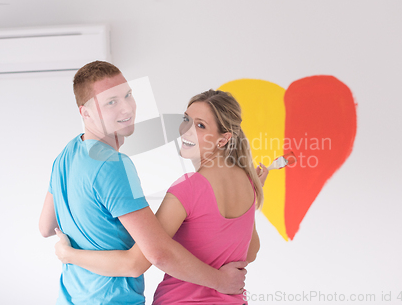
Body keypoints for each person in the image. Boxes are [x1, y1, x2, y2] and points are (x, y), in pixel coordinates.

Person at [39, 61, 248, 305]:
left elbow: (45, 227)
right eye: (111, 102)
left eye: (127, 95)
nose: (126, 107)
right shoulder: (113, 165)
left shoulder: (67, 154)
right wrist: (222, 282)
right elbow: (149, 258)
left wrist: (70, 251)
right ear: (85, 113)